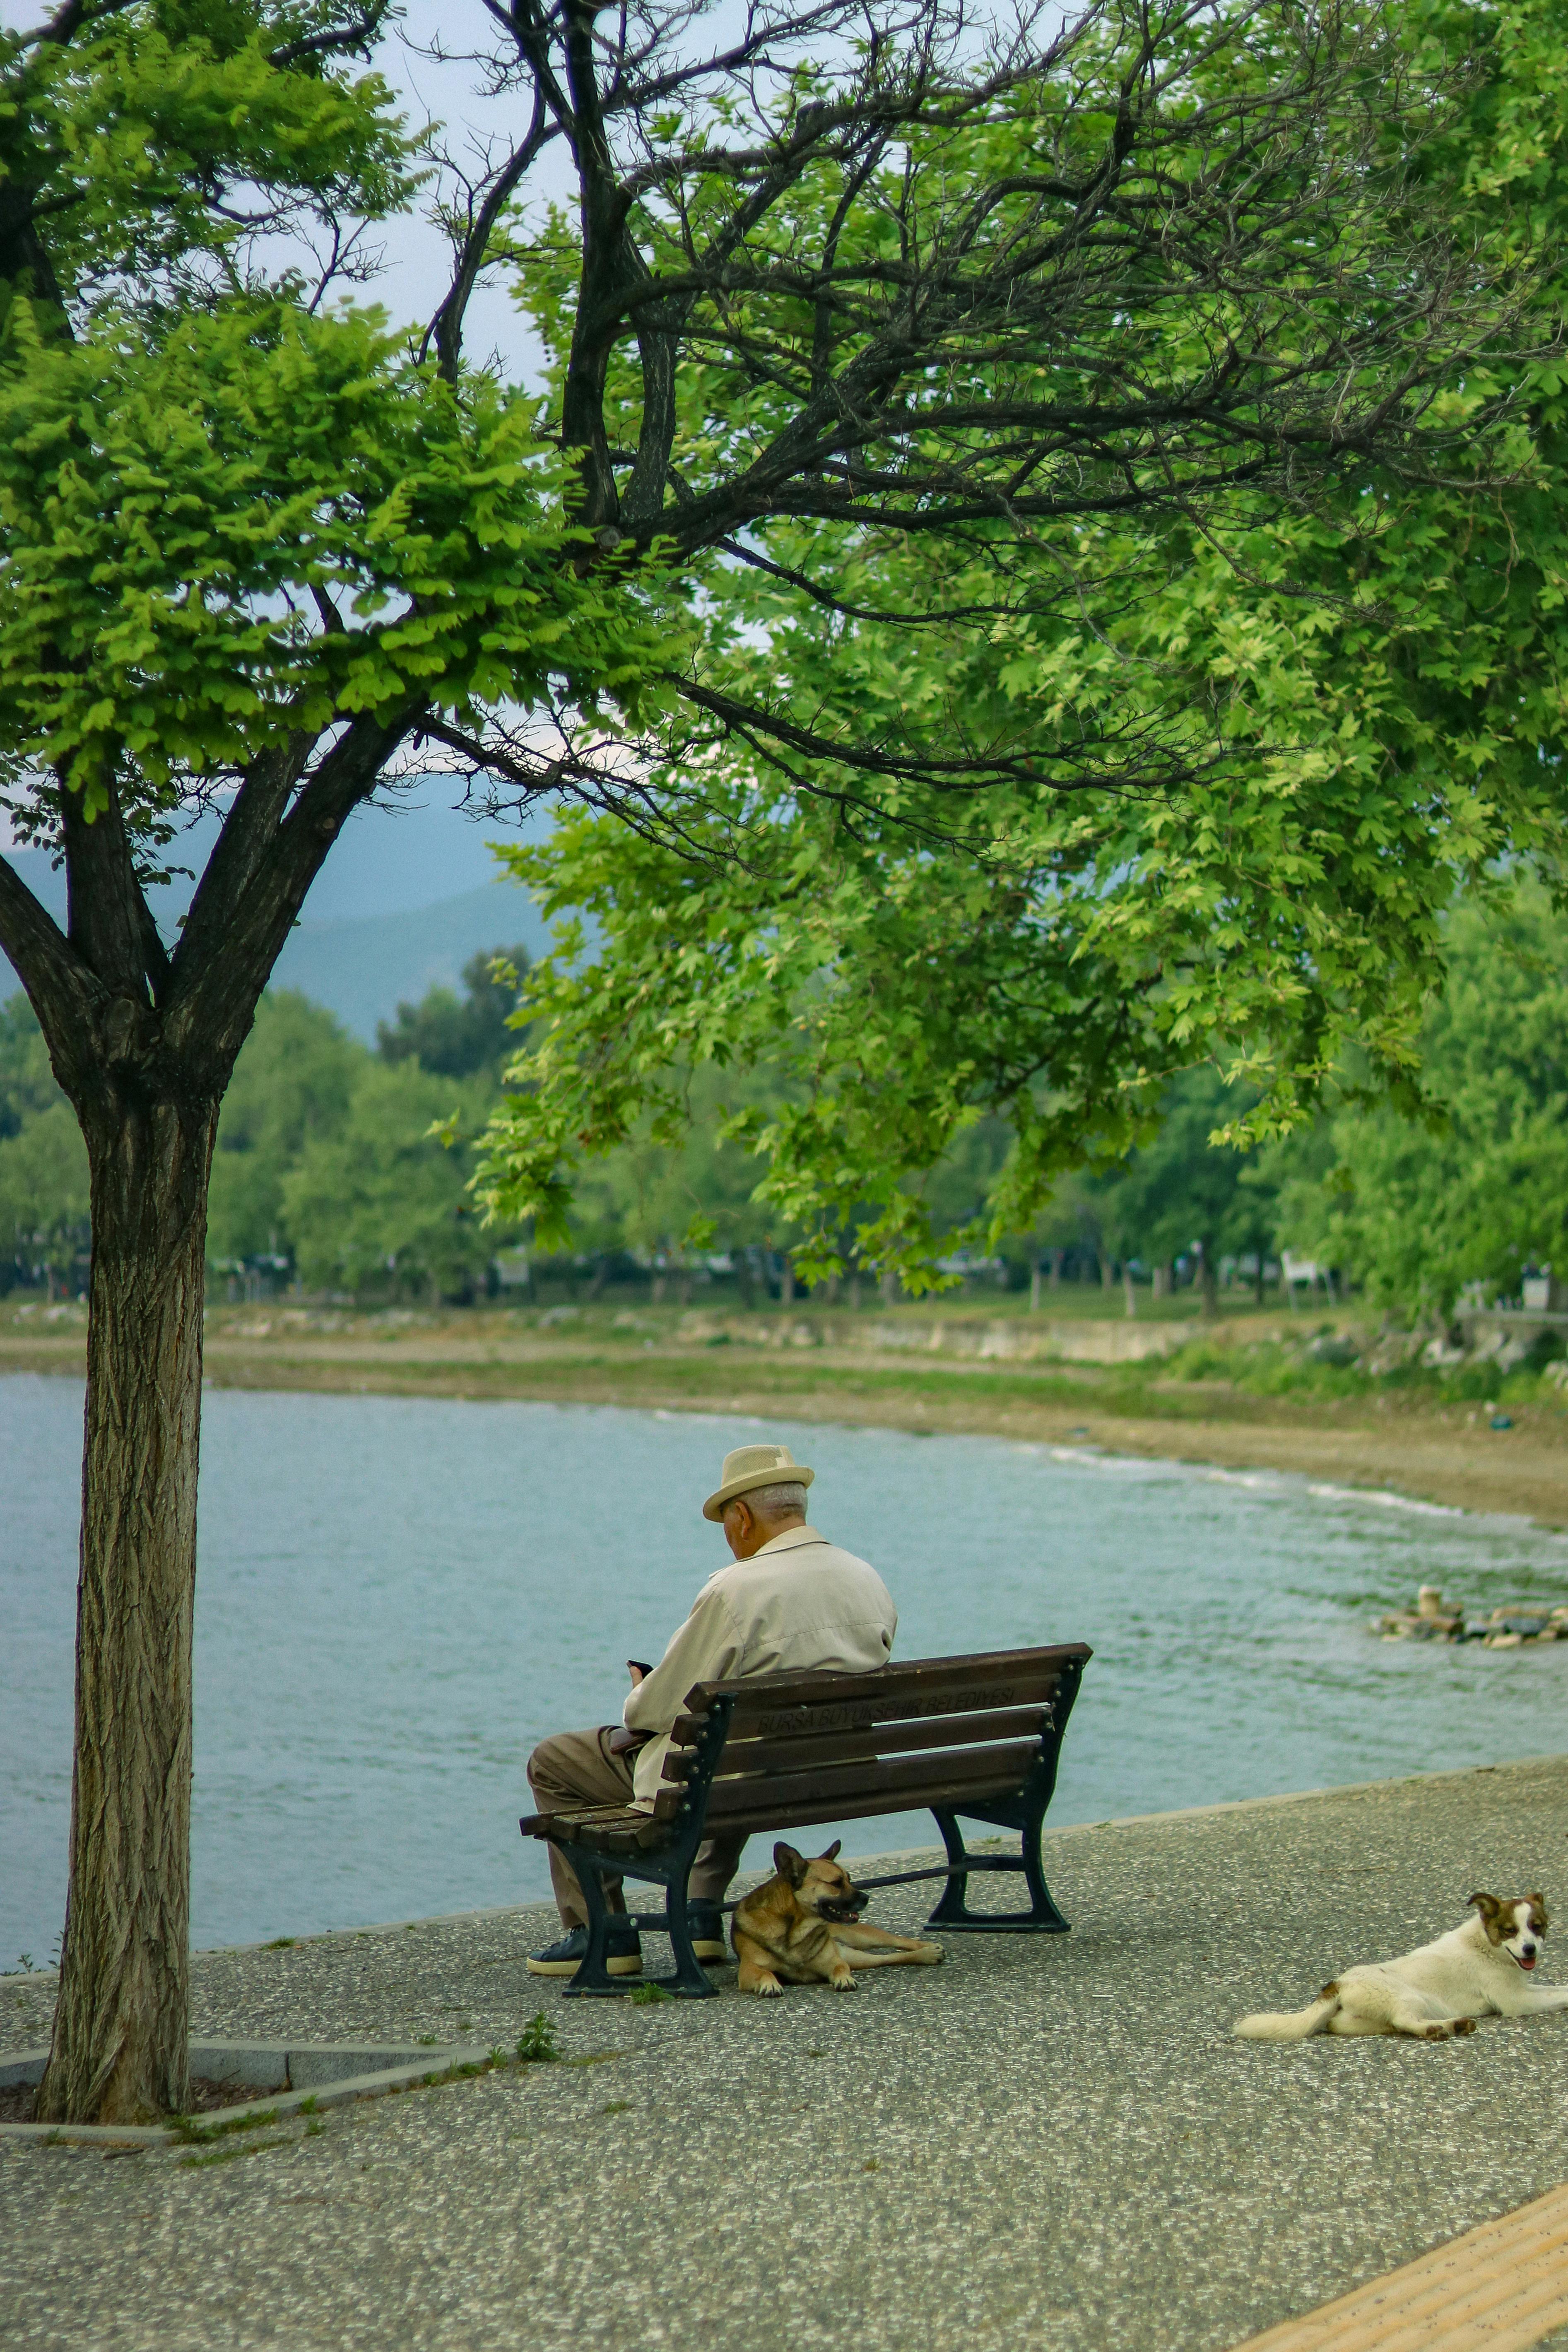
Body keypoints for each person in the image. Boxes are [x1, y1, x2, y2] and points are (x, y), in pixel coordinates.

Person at [525, 1441, 897, 1976]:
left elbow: (654, 1710)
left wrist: (641, 1687)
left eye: (726, 1521)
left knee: (556, 1759)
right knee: (734, 1749)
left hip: (730, 1775)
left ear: (742, 1516)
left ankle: (602, 1933)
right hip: (826, 1772)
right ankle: (701, 1914)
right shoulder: (866, 1576)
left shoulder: (736, 1589)